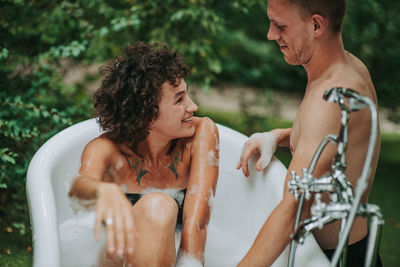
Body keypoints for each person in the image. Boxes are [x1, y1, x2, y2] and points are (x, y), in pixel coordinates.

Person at [236, 0, 382, 266]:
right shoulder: (349, 68)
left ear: (316, 24)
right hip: (352, 247)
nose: (270, 35)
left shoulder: (329, 98)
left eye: (280, 25)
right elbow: (337, 138)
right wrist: (277, 136)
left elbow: (294, 208)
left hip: (336, 258)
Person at [68, 42, 219, 266]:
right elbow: (79, 188)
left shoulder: (199, 135)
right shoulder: (108, 150)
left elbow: (197, 223)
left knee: (159, 206)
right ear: (146, 114)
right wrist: (103, 189)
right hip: (113, 256)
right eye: (180, 100)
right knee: (158, 206)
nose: (193, 106)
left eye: (187, 95)